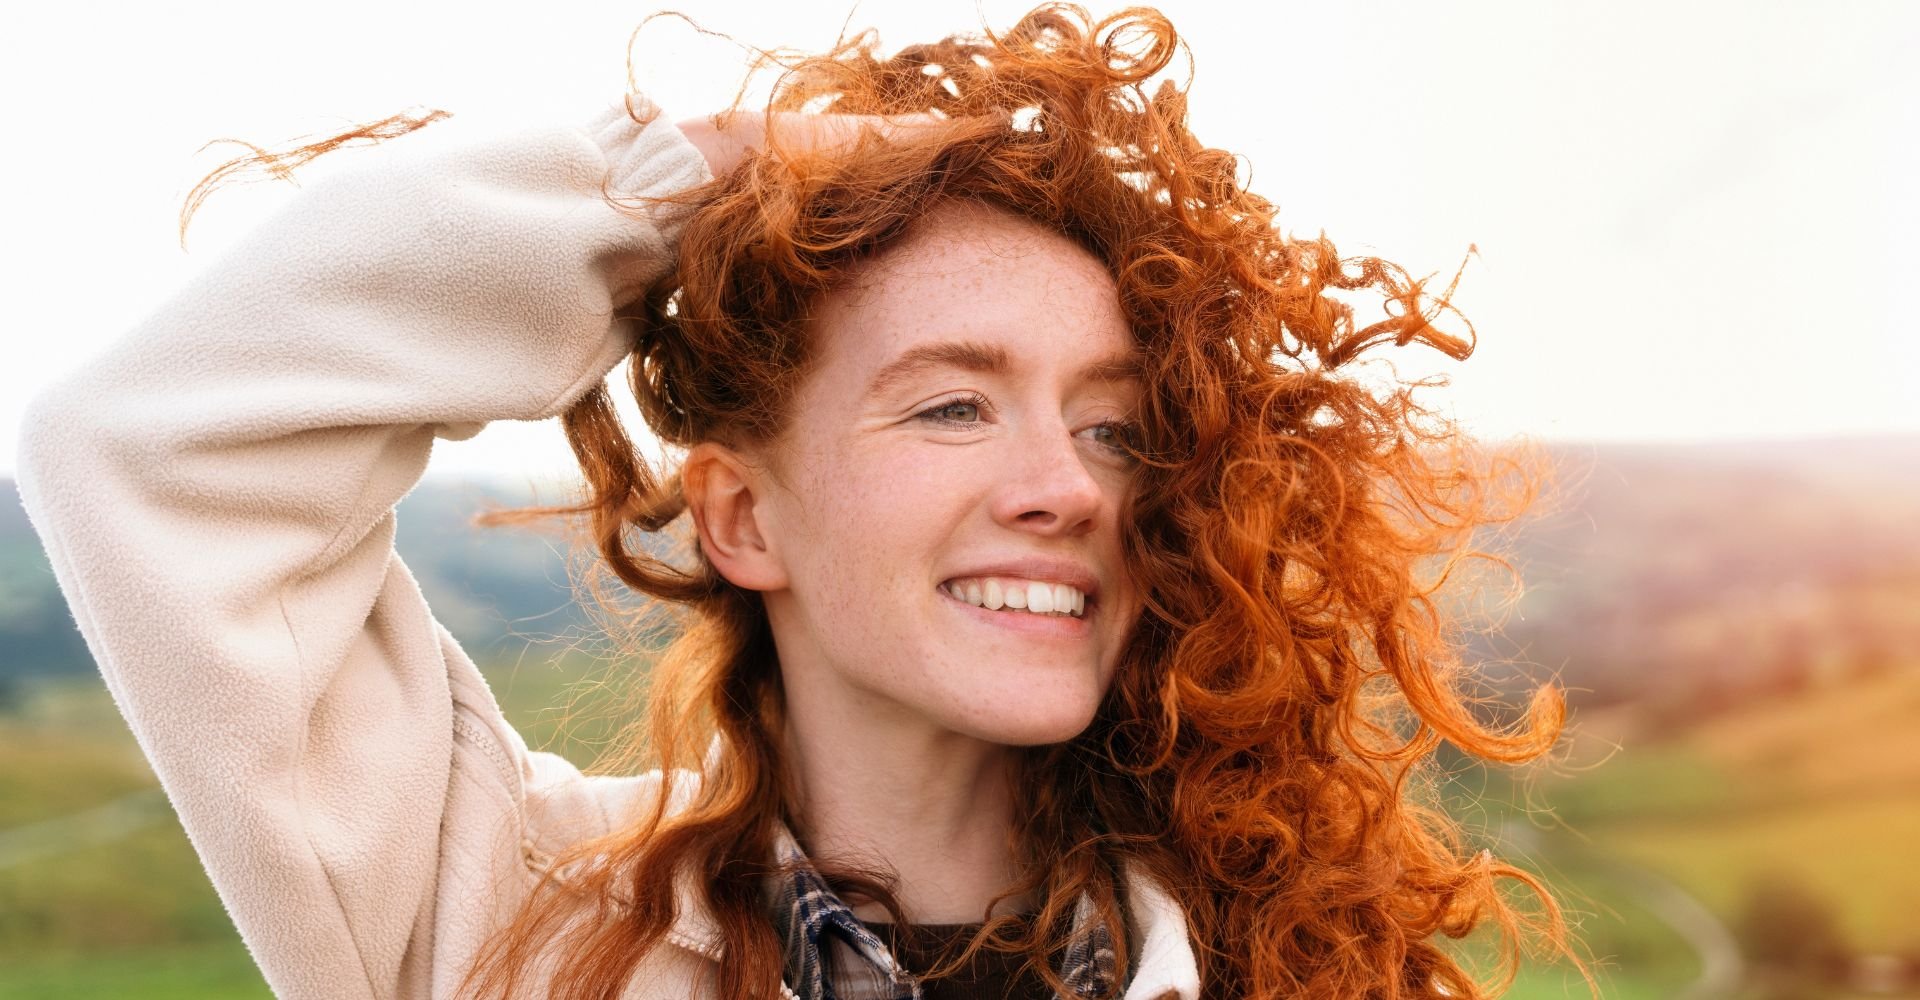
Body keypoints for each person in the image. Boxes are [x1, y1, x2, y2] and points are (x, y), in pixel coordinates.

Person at [14, 4, 1585, 998]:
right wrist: (703, 178)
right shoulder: (502, 923)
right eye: (955, 403)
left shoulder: (1289, 971)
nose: (1060, 489)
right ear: (740, 518)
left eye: (1114, 430)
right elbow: (155, 444)